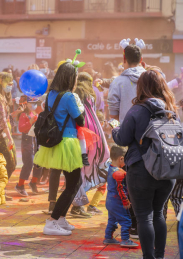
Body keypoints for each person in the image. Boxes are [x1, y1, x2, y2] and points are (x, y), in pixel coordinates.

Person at [112, 70, 177, 259]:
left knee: (144, 216)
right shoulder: (170, 109)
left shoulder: (137, 109)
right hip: (167, 171)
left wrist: (115, 128)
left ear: (141, 87)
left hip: (141, 170)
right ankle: (160, 256)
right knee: (158, 214)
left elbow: (123, 139)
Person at [33, 62, 84, 236]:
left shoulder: (51, 95)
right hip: (67, 142)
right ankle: (53, 221)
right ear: (71, 78)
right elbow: (81, 120)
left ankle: (61, 218)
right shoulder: (69, 96)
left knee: (72, 182)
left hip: (55, 141)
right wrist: (81, 106)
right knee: (73, 183)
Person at [70, 73, 110, 217]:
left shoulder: (77, 92)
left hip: (81, 132)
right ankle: (77, 205)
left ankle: (77, 203)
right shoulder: (90, 93)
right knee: (89, 165)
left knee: (81, 168)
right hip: (93, 132)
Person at [103, 145, 138, 248]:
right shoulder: (119, 173)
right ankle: (125, 240)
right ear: (121, 158)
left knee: (112, 220)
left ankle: (108, 237)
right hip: (117, 202)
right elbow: (121, 190)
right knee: (126, 220)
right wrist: (126, 201)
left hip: (109, 201)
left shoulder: (110, 169)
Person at [0, 72, 17, 198]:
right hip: (0, 136)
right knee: (9, 164)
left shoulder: (3, 97)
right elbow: (1, 119)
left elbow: (5, 118)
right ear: (1, 82)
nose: (11, 86)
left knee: (11, 163)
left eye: (12, 84)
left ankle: (0, 189)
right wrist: (10, 137)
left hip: (5, 134)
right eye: (9, 83)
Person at [107, 44, 145, 122]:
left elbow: (113, 114)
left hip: (126, 130)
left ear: (124, 60)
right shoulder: (152, 79)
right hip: (149, 131)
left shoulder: (117, 82)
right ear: (141, 60)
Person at [15, 97, 42, 196]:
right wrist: (30, 122)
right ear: (27, 103)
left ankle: (33, 182)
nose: (34, 104)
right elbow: (21, 128)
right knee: (28, 163)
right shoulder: (24, 114)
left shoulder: (35, 113)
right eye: (32, 103)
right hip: (27, 140)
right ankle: (20, 185)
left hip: (35, 140)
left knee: (39, 162)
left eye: (35, 102)